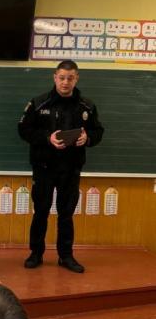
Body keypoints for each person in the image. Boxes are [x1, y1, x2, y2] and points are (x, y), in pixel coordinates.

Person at [18, 60, 104, 273]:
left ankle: (66, 256)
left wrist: (87, 138)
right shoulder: (39, 103)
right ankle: (36, 253)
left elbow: (98, 131)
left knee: (66, 215)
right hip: (44, 167)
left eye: (70, 78)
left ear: (76, 79)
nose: (65, 82)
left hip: (71, 169)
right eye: (62, 78)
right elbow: (23, 130)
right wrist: (47, 138)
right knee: (41, 212)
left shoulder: (87, 106)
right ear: (55, 77)